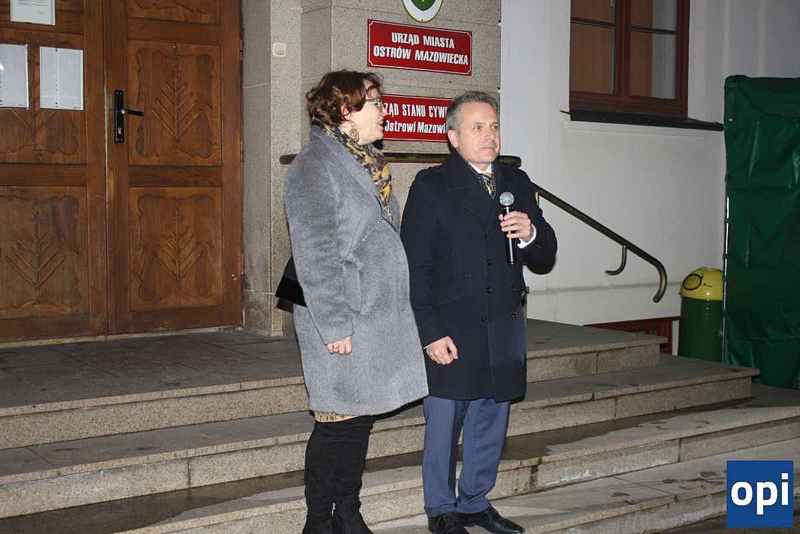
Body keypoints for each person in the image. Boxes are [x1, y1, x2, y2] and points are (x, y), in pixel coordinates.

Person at [401, 91, 557, 534]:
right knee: (444, 425)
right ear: (453, 137)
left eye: (494, 126)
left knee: (491, 421)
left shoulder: (517, 182)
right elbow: (415, 266)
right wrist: (429, 331)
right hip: (452, 328)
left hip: (502, 324)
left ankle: (474, 501)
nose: (489, 136)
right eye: (477, 127)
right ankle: (441, 509)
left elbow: (545, 253)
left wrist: (530, 233)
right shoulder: (432, 186)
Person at [284, 70, 429, 534]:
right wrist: (334, 325)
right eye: (376, 103)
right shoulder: (313, 166)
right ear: (346, 111)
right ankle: (317, 522)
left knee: (358, 419)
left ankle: (347, 512)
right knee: (337, 422)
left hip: (374, 313)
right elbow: (316, 253)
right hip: (340, 313)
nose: (385, 111)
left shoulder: (369, 163)